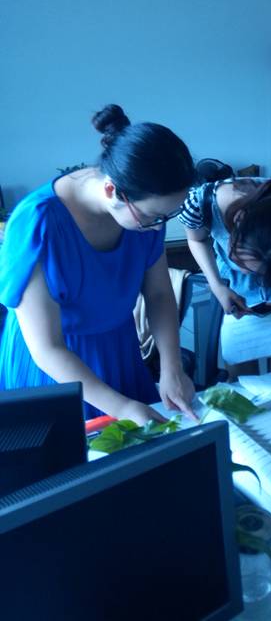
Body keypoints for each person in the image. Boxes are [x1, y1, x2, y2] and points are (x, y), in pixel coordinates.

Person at [0, 104, 197, 423]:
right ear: (112, 190)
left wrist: (171, 366)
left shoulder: (144, 218)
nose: (158, 228)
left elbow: (159, 294)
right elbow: (47, 348)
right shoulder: (38, 224)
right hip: (56, 369)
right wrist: (122, 407)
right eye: (152, 216)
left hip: (118, 353)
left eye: (166, 216)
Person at [179, 176, 271, 377]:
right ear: (237, 220)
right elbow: (196, 240)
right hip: (234, 289)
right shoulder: (198, 204)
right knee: (243, 377)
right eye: (242, 262)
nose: (249, 272)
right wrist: (217, 286)